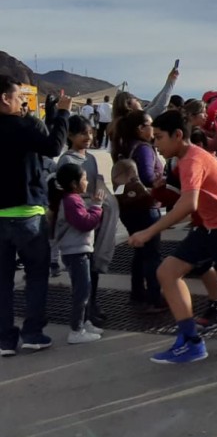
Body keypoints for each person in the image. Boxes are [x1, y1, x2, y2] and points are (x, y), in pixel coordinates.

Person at [128, 111, 217, 364]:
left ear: (178, 135)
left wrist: (149, 231)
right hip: (210, 227)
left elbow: (189, 203)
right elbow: (187, 198)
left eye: (159, 138)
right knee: (167, 272)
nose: (156, 144)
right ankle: (191, 342)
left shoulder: (191, 161)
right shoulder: (185, 161)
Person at [0, 75, 71, 356]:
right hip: (28, 212)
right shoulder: (23, 125)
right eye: (18, 97)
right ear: (5, 98)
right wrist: (63, 113)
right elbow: (53, 146)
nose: (22, 102)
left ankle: (5, 339)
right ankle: (32, 333)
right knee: (36, 275)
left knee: (2, 281)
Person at [57, 115, 121, 325]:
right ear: (70, 135)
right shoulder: (67, 160)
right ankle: (85, 313)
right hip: (81, 219)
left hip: (95, 215)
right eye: (83, 133)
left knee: (94, 264)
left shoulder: (91, 158)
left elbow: (96, 184)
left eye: (90, 132)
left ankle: (92, 304)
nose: (88, 136)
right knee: (83, 267)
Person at [50, 164, 106, 344]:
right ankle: (76, 330)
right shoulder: (71, 201)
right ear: (74, 183)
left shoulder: (72, 198)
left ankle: (85, 322)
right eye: (84, 179)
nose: (87, 181)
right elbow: (85, 223)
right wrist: (97, 206)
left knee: (86, 289)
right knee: (81, 291)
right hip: (75, 252)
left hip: (80, 250)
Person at [116, 111, 165, 312]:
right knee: (151, 255)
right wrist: (161, 181)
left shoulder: (126, 146)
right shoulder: (144, 148)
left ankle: (137, 294)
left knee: (139, 253)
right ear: (140, 128)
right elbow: (146, 176)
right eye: (150, 125)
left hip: (128, 207)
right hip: (145, 208)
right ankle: (154, 298)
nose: (153, 129)